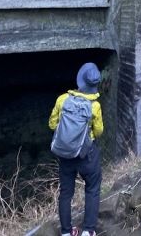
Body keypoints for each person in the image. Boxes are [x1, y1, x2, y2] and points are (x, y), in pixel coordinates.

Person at [48, 62, 104, 236]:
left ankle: (66, 232)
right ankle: (88, 231)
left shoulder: (62, 99)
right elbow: (99, 131)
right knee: (92, 188)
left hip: (66, 155)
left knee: (66, 193)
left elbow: (52, 124)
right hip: (86, 154)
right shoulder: (95, 106)